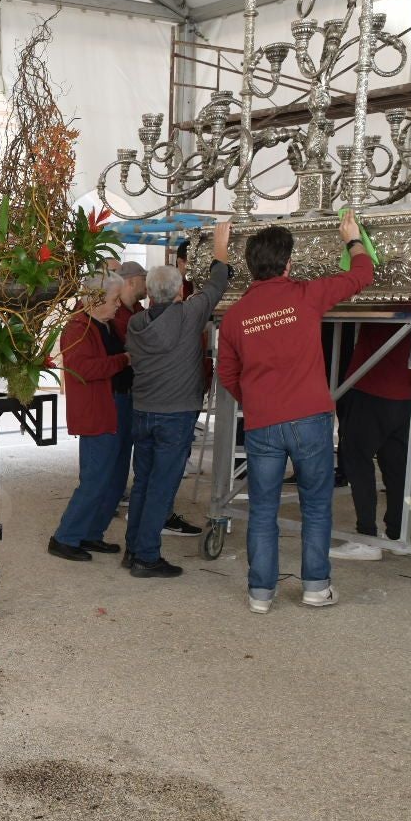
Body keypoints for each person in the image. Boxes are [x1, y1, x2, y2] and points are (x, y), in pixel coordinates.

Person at [217, 210, 375, 613]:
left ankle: (260, 594)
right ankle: (315, 587)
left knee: (263, 509)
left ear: (251, 267)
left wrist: (254, 400)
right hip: (310, 419)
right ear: (288, 263)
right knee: (317, 505)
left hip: (262, 424)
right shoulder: (306, 295)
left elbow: (227, 374)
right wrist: (353, 240)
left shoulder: (235, 318)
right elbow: (362, 275)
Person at [122, 222, 232, 577]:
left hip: (143, 413)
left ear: (150, 294)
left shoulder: (135, 324)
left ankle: (132, 550)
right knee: (162, 487)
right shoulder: (188, 316)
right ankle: (146, 557)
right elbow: (217, 284)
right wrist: (220, 248)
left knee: (143, 483)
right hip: (175, 416)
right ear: (178, 293)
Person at [48, 274, 133, 562]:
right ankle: (65, 537)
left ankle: (91, 533)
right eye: (113, 300)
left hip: (115, 405)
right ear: (95, 300)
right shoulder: (77, 328)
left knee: (114, 478)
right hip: (99, 411)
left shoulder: (103, 324)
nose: (118, 305)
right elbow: (84, 369)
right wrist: (124, 360)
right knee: (96, 478)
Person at [331, 320, 411, 561]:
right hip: (406, 391)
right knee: (397, 466)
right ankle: (396, 535)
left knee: (356, 459)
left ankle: (367, 536)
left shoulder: (387, 293)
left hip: (371, 385)